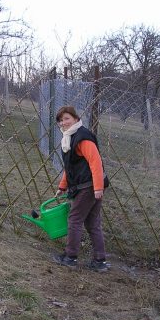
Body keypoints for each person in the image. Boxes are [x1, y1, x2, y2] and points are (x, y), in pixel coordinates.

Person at [53, 106, 109, 272]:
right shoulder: (70, 138)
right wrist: (62, 186)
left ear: (76, 119)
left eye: (67, 118)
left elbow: (95, 162)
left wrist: (98, 188)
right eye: (61, 120)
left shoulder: (82, 137)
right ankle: (100, 261)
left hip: (89, 186)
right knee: (92, 223)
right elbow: (71, 167)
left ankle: (70, 257)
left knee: (75, 219)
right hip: (89, 185)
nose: (64, 122)